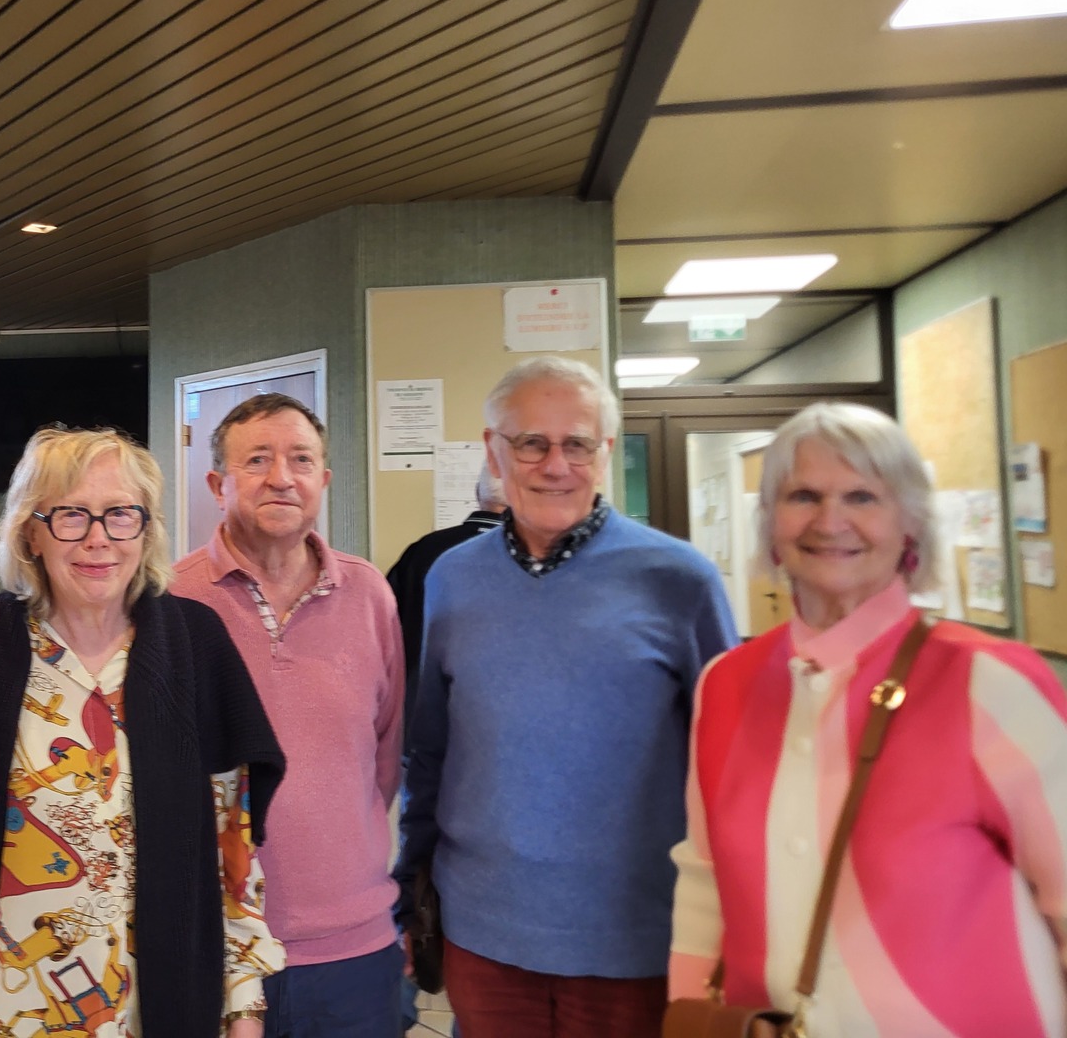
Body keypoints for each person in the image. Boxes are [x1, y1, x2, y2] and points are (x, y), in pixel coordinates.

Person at [669, 402, 1067, 1035]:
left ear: (909, 524)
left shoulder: (991, 682)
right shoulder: (726, 684)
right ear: (769, 522)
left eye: (862, 496)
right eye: (803, 496)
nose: (830, 521)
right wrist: (689, 1015)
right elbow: (704, 882)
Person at [396, 355, 736, 1038]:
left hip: (633, 939)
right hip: (484, 933)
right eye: (532, 443)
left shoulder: (680, 579)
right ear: (494, 449)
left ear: (605, 452)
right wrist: (409, 887)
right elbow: (428, 749)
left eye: (577, 444)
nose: (556, 465)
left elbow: (730, 766)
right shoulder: (451, 578)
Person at [0, 426, 286, 1038]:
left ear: (145, 529)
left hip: (165, 1006)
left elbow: (234, 849)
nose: (98, 538)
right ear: (31, 532)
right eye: (70, 515)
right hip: (17, 1008)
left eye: (121, 514)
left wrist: (244, 1008)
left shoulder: (195, 644)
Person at [173, 393, 405, 1038]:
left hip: (354, 949)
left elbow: (384, 759)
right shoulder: (170, 602)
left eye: (301, 459)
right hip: (215, 945)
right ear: (218, 484)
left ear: (323, 480)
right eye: (257, 460)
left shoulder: (370, 595)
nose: (282, 477)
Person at [385, 464, 507, 729]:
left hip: (421, 716)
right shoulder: (532, 559)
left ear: (477, 493)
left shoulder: (423, 551)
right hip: (501, 721)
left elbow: (385, 634)